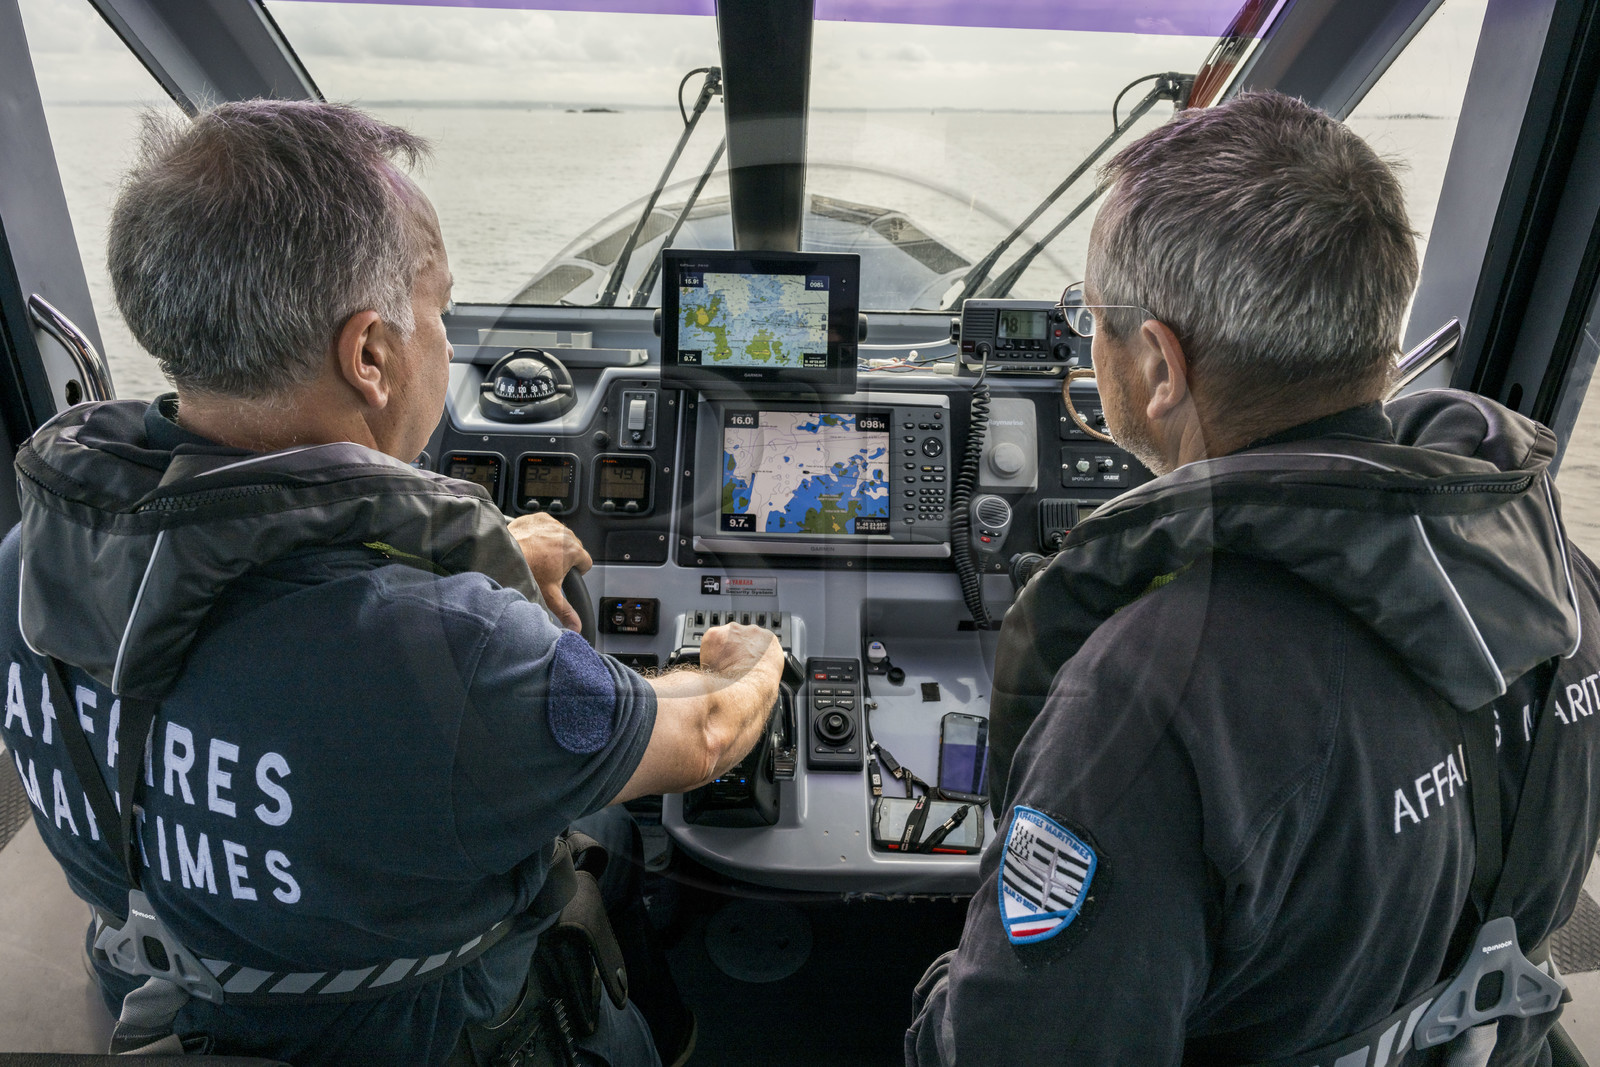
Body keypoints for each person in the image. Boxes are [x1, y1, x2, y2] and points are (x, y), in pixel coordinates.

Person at [0, 100, 783, 1066]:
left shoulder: (27, 561)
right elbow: (706, 733)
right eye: (442, 309)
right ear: (371, 354)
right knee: (610, 847)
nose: (449, 341)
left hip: (159, 985)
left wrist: (465, 549)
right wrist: (754, 650)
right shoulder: (448, 650)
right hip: (432, 1033)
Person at [906, 92, 1600, 1066]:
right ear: (1380, 340)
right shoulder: (1555, 579)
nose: (1086, 342)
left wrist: (945, 981)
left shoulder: (1150, 697)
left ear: (1156, 364)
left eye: (1092, 317)